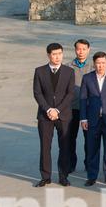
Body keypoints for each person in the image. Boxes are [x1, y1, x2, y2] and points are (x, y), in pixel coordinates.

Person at [32, 42, 76, 187]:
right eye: (54, 54)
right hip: (45, 116)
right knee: (45, 147)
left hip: (63, 114)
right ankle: (45, 176)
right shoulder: (39, 71)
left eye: (60, 54)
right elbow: (37, 93)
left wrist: (57, 110)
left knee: (65, 146)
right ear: (48, 55)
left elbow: (70, 94)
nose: (57, 57)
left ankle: (63, 176)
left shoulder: (69, 72)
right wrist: (48, 109)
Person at [79, 51, 106, 186]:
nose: (101, 66)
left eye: (103, 63)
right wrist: (83, 118)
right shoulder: (87, 78)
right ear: (94, 64)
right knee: (92, 149)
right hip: (92, 120)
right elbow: (83, 99)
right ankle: (91, 176)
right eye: (98, 63)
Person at [67, 38, 91, 170]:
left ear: (88, 50)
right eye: (78, 49)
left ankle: (89, 164)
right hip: (72, 108)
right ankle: (71, 164)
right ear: (75, 50)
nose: (81, 51)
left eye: (84, 49)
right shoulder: (67, 67)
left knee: (89, 139)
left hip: (88, 108)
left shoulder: (94, 67)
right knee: (70, 138)